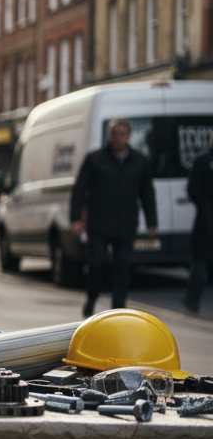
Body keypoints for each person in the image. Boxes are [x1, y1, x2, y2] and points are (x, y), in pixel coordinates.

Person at [70, 119, 157, 317]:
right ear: (109, 135)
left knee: (123, 266)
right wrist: (75, 218)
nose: (117, 138)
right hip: (98, 223)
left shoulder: (140, 161)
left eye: (121, 134)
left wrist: (152, 223)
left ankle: (118, 309)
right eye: (114, 134)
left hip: (126, 224)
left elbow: (147, 194)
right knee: (97, 263)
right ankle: (91, 298)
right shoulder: (95, 159)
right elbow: (79, 190)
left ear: (128, 136)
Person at [181, 143, 212, 313]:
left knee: (200, 261)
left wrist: (205, 210)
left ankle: (193, 299)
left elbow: (193, 189)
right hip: (206, 220)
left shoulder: (204, 160)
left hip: (206, 222)